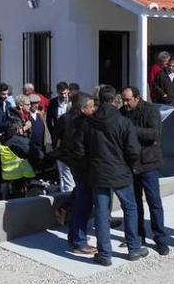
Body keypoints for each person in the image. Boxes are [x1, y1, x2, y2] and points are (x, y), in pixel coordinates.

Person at [78, 86, 146, 266]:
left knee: (101, 213)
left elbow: (81, 149)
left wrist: (90, 165)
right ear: (115, 100)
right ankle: (133, 248)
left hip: (98, 172)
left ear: (99, 99)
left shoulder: (89, 122)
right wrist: (130, 166)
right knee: (130, 209)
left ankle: (105, 254)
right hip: (120, 172)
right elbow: (133, 151)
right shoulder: (123, 122)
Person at [120, 87, 170, 256]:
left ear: (137, 98)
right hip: (131, 164)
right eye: (123, 100)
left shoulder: (150, 111)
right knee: (135, 204)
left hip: (148, 163)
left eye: (128, 100)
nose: (125, 103)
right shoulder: (122, 112)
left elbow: (154, 134)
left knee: (154, 202)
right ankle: (137, 236)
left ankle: (160, 238)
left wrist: (131, 130)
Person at [63, 92, 97, 255]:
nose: (94, 109)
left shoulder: (70, 119)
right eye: (91, 106)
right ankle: (80, 242)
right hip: (82, 169)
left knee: (79, 203)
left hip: (76, 166)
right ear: (83, 109)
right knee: (83, 205)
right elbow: (80, 149)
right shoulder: (81, 123)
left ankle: (74, 237)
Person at [47, 82, 74, 192]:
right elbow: (49, 120)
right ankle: (63, 189)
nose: (63, 96)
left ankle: (68, 190)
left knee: (68, 168)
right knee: (60, 165)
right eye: (61, 93)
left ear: (68, 91)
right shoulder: (53, 102)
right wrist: (53, 133)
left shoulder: (72, 102)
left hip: (70, 137)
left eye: (65, 93)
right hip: (58, 137)